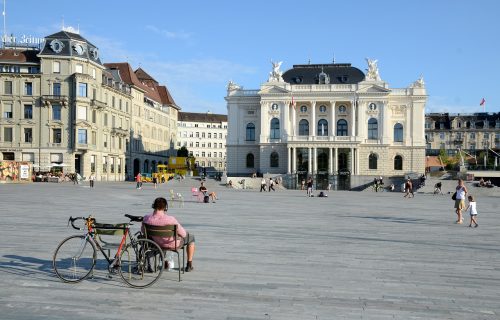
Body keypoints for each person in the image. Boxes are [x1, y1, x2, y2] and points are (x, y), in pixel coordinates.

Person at [143, 197, 196, 272]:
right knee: (191, 238)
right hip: (172, 244)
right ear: (165, 208)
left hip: (155, 243)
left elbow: (143, 231)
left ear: (153, 206)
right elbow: (183, 234)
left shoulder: (146, 218)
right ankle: (189, 265)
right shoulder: (171, 219)